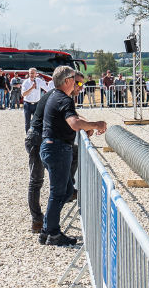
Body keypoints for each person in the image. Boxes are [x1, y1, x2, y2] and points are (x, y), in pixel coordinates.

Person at [38, 65, 107, 248]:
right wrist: (97, 123)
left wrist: (88, 125)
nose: (79, 85)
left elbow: (73, 119)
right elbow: (74, 123)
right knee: (58, 193)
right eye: (77, 82)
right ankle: (52, 233)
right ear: (67, 81)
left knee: (67, 191)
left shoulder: (55, 96)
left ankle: (47, 229)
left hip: (52, 148)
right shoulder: (64, 99)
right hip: (57, 149)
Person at [24, 82, 48, 235]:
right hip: (36, 138)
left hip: (38, 137)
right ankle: (37, 219)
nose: (80, 87)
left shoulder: (48, 92)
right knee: (36, 180)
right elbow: (23, 95)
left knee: (37, 180)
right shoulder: (54, 96)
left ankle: (39, 219)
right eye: (78, 83)